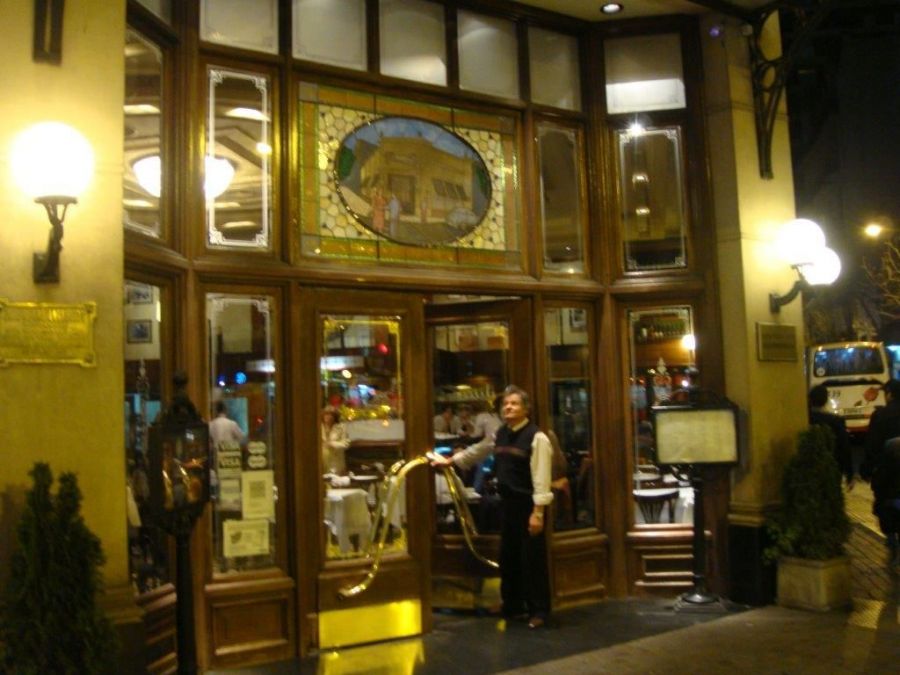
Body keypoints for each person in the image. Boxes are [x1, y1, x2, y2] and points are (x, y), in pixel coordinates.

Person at [432, 385, 553, 628]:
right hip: (507, 505)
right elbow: (479, 450)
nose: (508, 407)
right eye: (506, 404)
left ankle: (539, 610)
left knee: (532, 559)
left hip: (528, 506)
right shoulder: (501, 433)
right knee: (508, 557)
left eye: (514, 404)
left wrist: (538, 513)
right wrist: (452, 461)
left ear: (526, 409)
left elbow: (541, 478)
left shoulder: (537, 437)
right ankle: (512, 605)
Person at [808, 384, 853, 486]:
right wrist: (849, 473)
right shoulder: (836, 421)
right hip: (833, 466)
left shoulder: (805, 419)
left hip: (810, 467)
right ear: (826, 400)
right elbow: (845, 447)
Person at [861, 380, 900, 483]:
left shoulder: (880, 414)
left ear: (889, 395)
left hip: (887, 471)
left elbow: (872, 445)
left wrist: (867, 470)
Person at [871, 437, 900, 568]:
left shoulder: (884, 465)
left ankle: (893, 551)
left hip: (888, 502)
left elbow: (877, 484)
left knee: (889, 529)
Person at [321, 406, 351, 474]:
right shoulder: (318, 427)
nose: (328, 417)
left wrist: (332, 444)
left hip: (336, 460)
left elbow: (346, 444)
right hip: (322, 461)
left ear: (335, 417)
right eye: (326, 414)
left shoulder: (341, 427)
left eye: (331, 415)